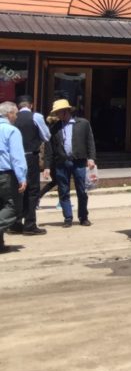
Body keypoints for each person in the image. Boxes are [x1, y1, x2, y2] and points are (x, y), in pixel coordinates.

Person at [42, 98, 96, 228]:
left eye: (59, 112)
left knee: (81, 191)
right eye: (56, 113)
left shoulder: (82, 123)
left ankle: (83, 216)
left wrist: (91, 158)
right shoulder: (54, 127)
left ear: (66, 111)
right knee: (63, 190)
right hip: (61, 162)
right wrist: (47, 166)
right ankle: (68, 217)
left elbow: (90, 141)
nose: (57, 115)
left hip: (79, 161)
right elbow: (49, 148)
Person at [9, 95, 48, 235]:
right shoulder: (36, 117)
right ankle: (30, 224)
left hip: (13, 158)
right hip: (30, 156)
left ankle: (15, 223)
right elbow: (46, 136)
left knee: (18, 190)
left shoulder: (12, 118)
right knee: (32, 190)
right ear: (31, 105)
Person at [0, 101, 28, 253]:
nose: (17, 116)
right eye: (16, 113)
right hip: (6, 175)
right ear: (9, 114)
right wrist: (22, 177)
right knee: (14, 208)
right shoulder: (11, 130)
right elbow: (17, 157)